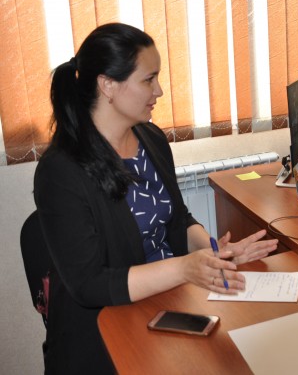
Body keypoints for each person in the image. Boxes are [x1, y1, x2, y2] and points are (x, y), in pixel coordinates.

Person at [33, 23, 278, 373]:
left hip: (167, 306)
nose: (159, 90)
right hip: (104, 329)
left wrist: (214, 253)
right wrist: (184, 268)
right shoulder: (61, 171)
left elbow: (177, 218)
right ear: (107, 85)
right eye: (149, 79)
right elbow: (89, 285)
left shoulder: (151, 139)